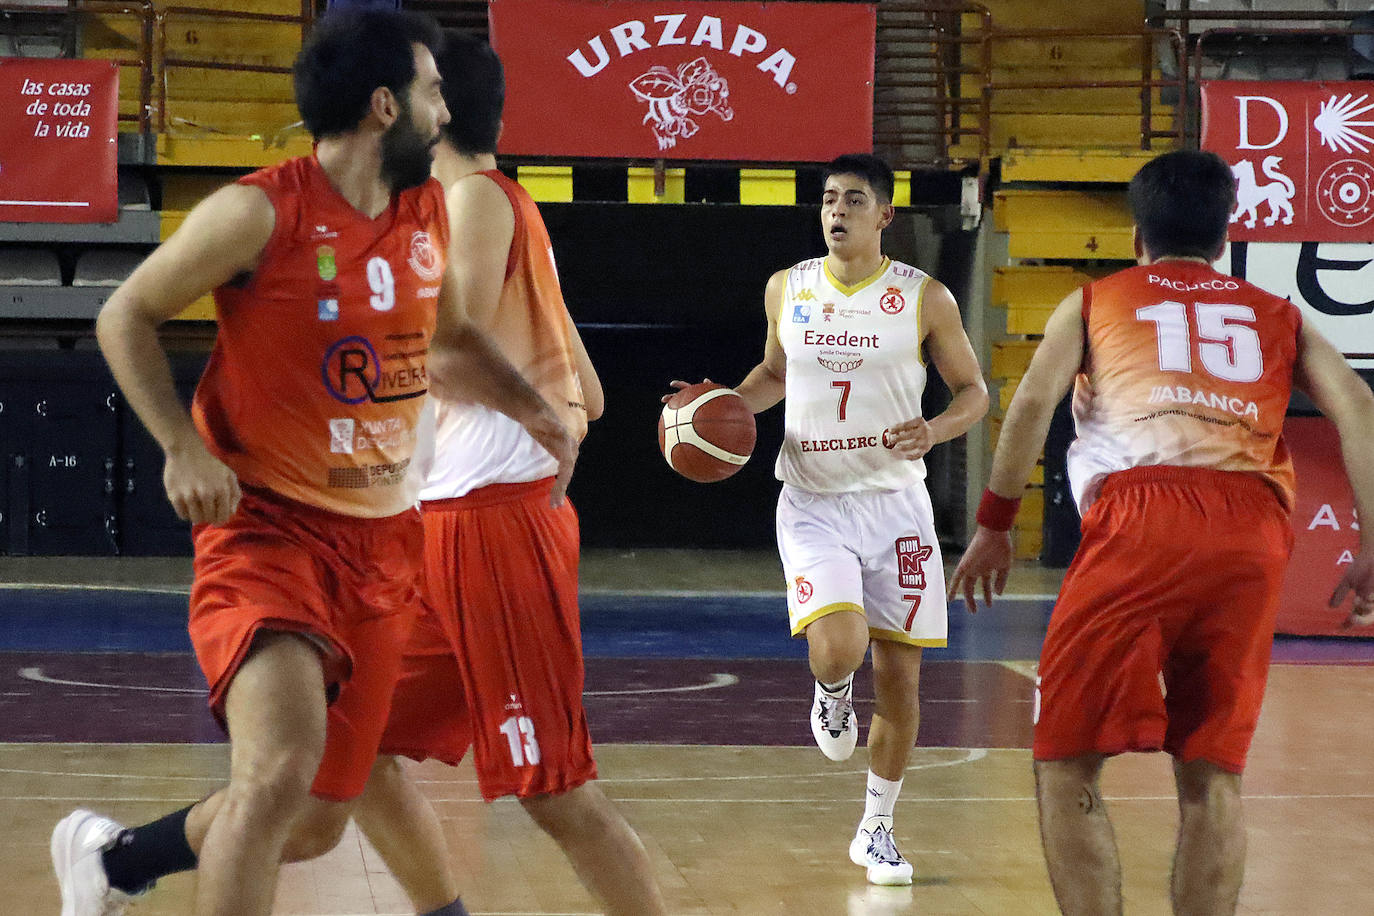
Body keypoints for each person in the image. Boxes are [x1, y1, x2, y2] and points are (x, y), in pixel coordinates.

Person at [49, 12, 575, 916]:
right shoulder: (258, 211)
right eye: (431, 91)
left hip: (382, 547)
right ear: (384, 107)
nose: (446, 112)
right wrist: (182, 446)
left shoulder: (422, 215)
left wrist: (539, 414)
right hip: (267, 532)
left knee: (319, 819)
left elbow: (449, 335)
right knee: (278, 772)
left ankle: (115, 862)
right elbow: (123, 315)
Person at [948, 149, 1374, 915]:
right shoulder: (1277, 313)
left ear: (1137, 237)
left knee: (1065, 760)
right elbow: (1360, 411)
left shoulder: (1095, 301)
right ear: (1224, 237)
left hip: (1141, 516)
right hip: (1252, 527)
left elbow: (1030, 407)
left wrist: (995, 524)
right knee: (1214, 772)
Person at [350, 32, 667, 916]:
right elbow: (592, 394)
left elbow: (448, 356)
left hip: (493, 519)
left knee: (552, 785)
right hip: (451, 522)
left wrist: (363, 352)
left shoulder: (475, 203)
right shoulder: (501, 205)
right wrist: (551, 404)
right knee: (352, 737)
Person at [668, 153, 988, 885]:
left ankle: (877, 827)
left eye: (852, 200)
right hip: (814, 501)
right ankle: (832, 690)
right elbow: (774, 375)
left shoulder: (923, 298)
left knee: (903, 682)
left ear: (885, 216)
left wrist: (934, 431)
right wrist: (716, 408)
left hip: (898, 507)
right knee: (839, 649)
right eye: (826, 200)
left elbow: (974, 391)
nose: (835, 211)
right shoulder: (790, 287)